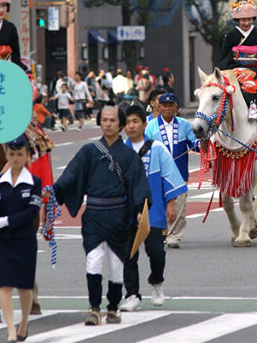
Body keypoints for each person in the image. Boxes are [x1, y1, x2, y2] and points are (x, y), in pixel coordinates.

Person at [53, 106, 149, 326]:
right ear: (99, 122)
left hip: (118, 217)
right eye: (104, 119)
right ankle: (94, 308)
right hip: (94, 215)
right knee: (93, 261)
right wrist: (54, 191)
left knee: (116, 266)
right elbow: (71, 174)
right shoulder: (88, 151)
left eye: (112, 120)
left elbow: (138, 185)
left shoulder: (129, 156)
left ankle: (113, 307)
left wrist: (139, 210)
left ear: (120, 124)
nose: (108, 123)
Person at [121, 106, 186, 311]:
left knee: (156, 252)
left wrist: (171, 204)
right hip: (126, 210)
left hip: (154, 209)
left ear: (144, 124)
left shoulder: (157, 148)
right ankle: (132, 295)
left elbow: (169, 176)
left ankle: (156, 281)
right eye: (127, 122)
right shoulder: (120, 151)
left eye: (135, 121)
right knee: (128, 254)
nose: (131, 126)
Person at [0, 135, 42, 343]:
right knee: (4, 285)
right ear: (6, 156)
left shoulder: (34, 183)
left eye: (20, 154)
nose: (16, 158)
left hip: (24, 239)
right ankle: (10, 329)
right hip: (4, 241)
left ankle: (24, 323)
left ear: (27, 156)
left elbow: (32, 212)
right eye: (12, 154)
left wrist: (7, 221)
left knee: (24, 286)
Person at [143, 91, 199, 249]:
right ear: (159, 107)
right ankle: (160, 231)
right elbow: (145, 148)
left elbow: (194, 145)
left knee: (179, 205)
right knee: (158, 203)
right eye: (164, 105)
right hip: (157, 172)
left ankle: (174, 236)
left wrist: (205, 143)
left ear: (176, 107)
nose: (167, 108)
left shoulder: (185, 124)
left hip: (179, 172)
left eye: (170, 105)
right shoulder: (151, 126)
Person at [217, 0, 257, 119]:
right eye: (243, 20)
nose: (246, 23)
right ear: (237, 20)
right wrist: (235, 67)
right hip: (235, 69)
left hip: (256, 68)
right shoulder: (230, 37)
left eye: (249, 19)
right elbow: (224, 58)